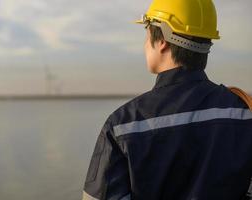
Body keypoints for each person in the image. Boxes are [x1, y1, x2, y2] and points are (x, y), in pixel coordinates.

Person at [82, 0, 252, 199]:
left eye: (147, 33)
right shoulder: (243, 112)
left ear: (162, 40)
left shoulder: (122, 124)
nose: (145, 44)